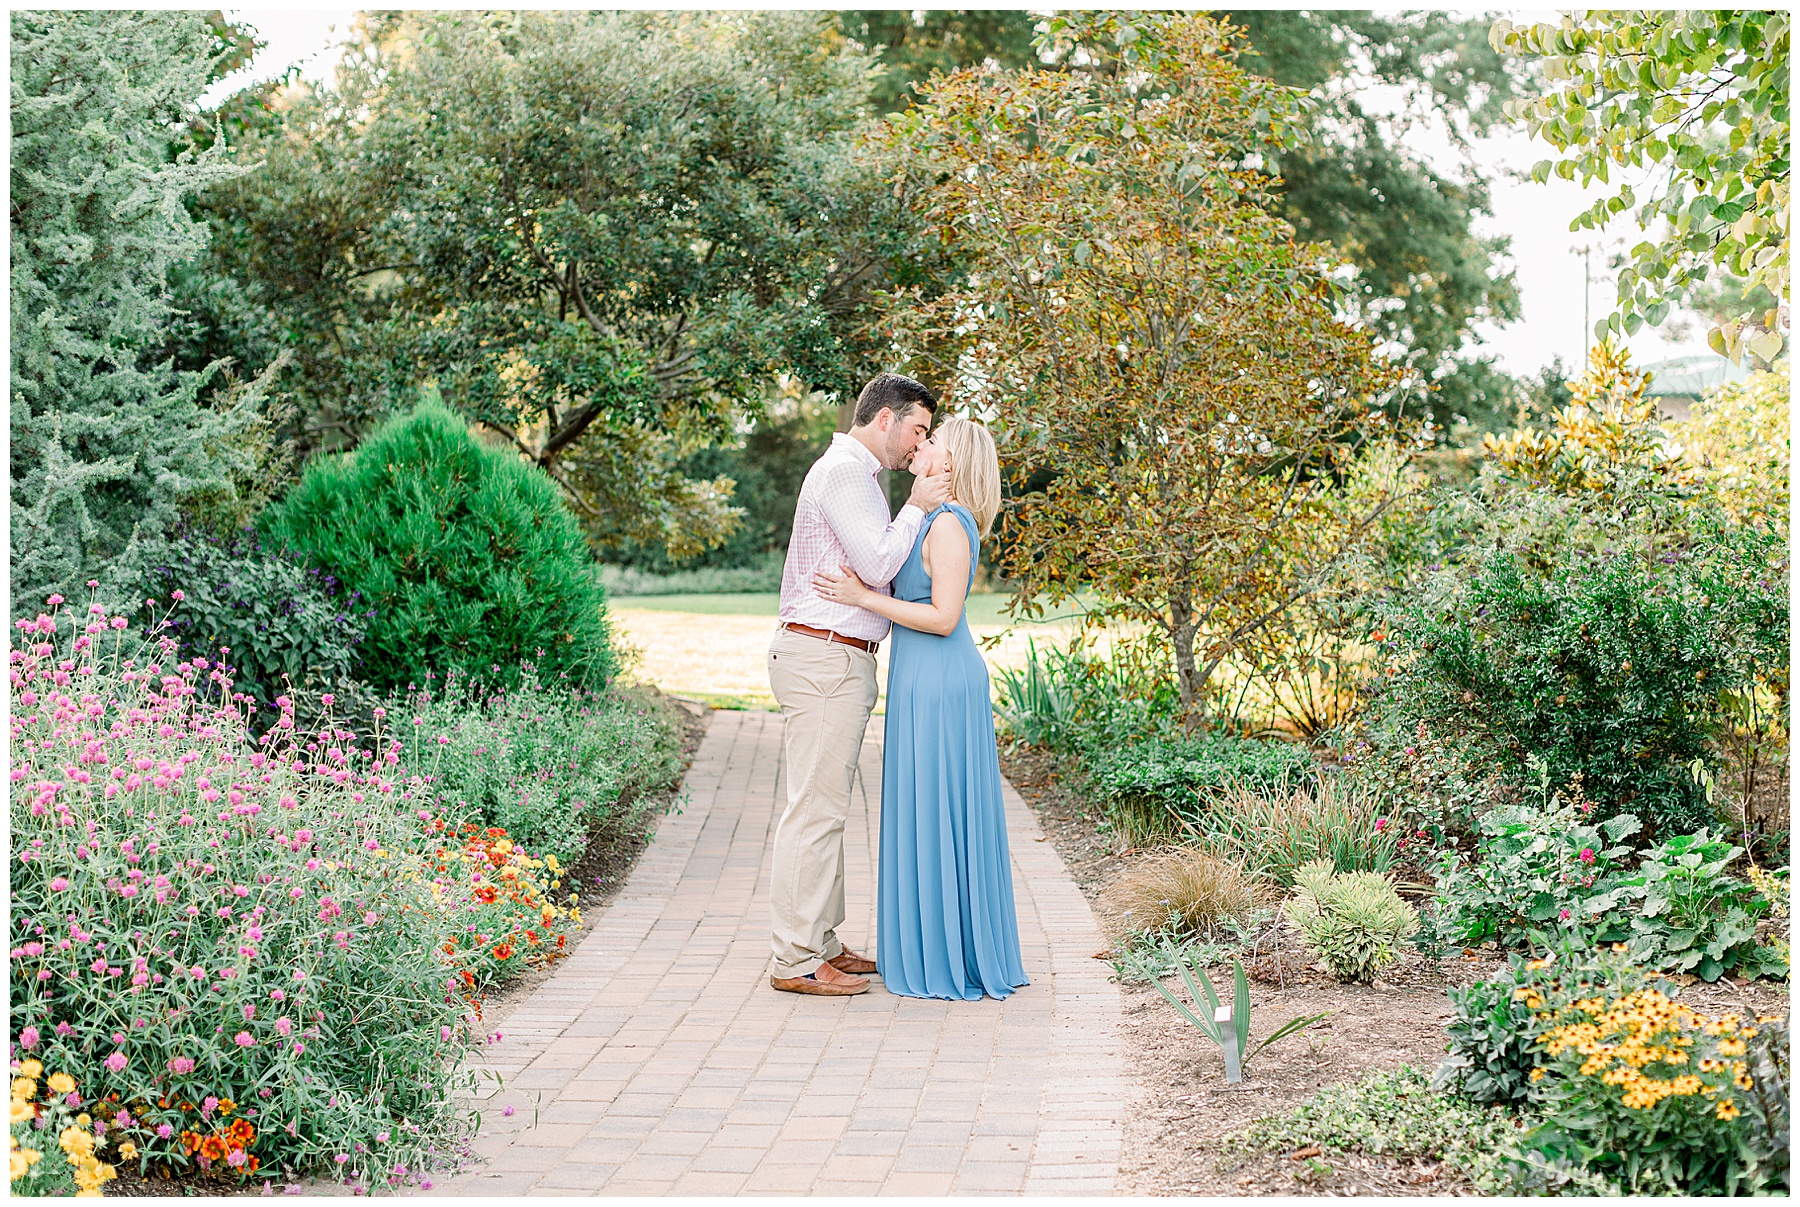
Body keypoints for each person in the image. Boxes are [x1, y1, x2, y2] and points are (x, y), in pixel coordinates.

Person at [813, 416, 1028, 1001]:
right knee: (923, 811)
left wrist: (861, 597)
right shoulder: (929, 518)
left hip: (941, 683)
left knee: (939, 811)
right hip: (917, 682)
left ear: (951, 463)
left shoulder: (951, 524)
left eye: (932, 440)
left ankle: (950, 955)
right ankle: (932, 944)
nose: (920, 444)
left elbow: (943, 618)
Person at [765, 373, 952, 997]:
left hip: (834, 659)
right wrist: (918, 505)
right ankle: (795, 959)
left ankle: (819, 942)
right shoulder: (846, 474)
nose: (919, 443)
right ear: (885, 419)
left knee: (826, 810)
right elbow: (875, 565)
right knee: (814, 813)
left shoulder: (857, 476)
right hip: (824, 657)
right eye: (918, 429)